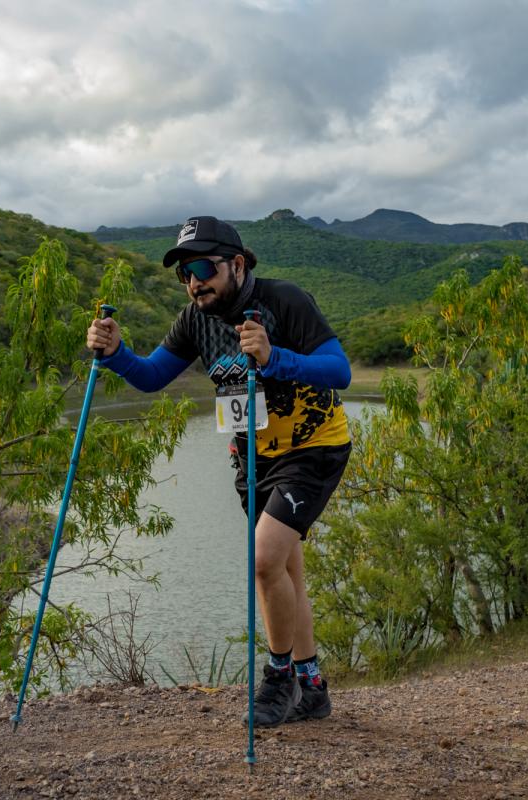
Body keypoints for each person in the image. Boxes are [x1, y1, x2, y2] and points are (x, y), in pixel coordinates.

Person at [86, 215, 351, 726]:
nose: (194, 281)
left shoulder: (285, 301)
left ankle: (279, 680)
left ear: (238, 264)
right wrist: (116, 353)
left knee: (264, 560)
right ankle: (313, 687)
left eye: (204, 268)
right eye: (184, 273)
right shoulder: (194, 319)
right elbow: (152, 376)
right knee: (285, 571)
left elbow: (339, 369)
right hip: (253, 457)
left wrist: (274, 357)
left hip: (313, 447)